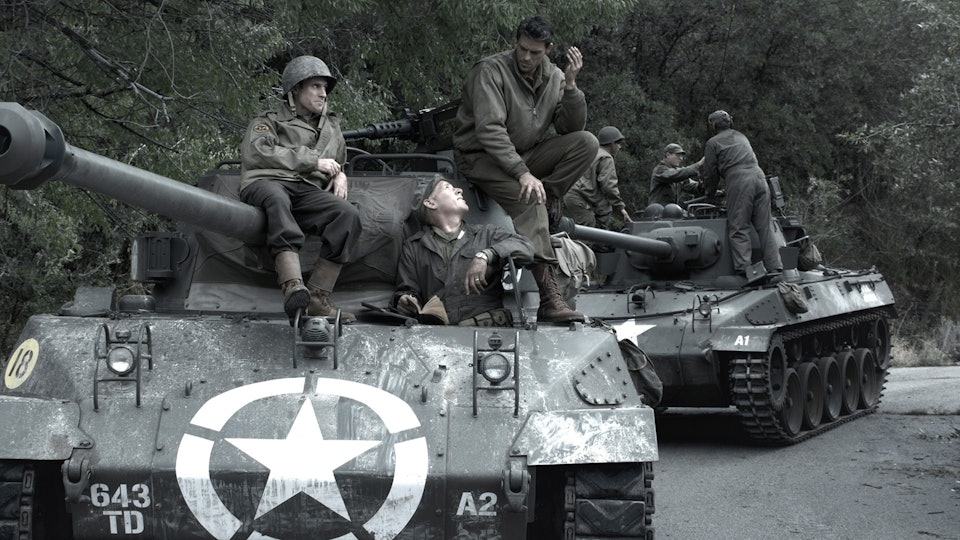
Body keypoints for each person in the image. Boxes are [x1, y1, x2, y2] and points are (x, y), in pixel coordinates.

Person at [453, 15, 598, 323]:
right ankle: (549, 298)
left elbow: (570, 128)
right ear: (516, 43)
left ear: (549, 49)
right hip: (481, 157)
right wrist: (522, 173)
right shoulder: (491, 70)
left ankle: (552, 194)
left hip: (523, 154)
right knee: (531, 200)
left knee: (587, 142)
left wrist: (571, 86)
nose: (527, 57)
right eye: (522, 49)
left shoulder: (555, 77)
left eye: (535, 52)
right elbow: (490, 129)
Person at [240, 55, 362, 322]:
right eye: (315, 86)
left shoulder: (331, 127)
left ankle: (317, 297)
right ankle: (293, 286)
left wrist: (341, 175)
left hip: (306, 189)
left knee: (347, 215)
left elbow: (338, 160)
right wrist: (312, 161)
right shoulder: (269, 121)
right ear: (295, 89)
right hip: (267, 182)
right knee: (276, 199)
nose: (323, 94)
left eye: (325, 88)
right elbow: (258, 153)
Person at [394, 176, 535, 326]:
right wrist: (405, 300)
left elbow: (526, 247)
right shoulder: (414, 247)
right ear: (430, 203)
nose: (459, 190)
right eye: (448, 187)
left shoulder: (486, 234)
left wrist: (486, 255)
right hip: (439, 332)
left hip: (487, 334)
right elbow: (407, 289)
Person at [701, 110, 782, 277]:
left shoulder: (712, 143)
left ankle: (745, 270)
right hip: (759, 176)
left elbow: (710, 173)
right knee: (765, 226)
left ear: (713, 125)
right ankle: (775, 267)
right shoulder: (741, 136)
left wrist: (709, 193)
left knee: (738, 226)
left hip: (739, 179)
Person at [564, 126, 632, 229]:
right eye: (618, 143)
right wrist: (620, 207)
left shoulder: (592, 151)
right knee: (589, 232)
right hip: (580, 197)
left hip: (572, 194)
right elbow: (608, 186)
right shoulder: (606, 157)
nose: (619, 147)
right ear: (611, 143)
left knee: (592, 224)